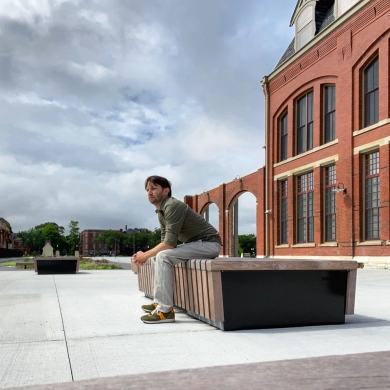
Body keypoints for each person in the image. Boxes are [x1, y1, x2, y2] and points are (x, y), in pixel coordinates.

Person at [132, 175, 222, 324]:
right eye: (147, 189)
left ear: (166, 190)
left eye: (154, 188)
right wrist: (148, 256)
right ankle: (159, 302)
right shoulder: (161, 211)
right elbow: (165, 242)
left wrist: (145, 255)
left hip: (209, 244)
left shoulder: (172, 205)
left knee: (162, 256)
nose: (149, 192)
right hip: (195, 244)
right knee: (157, 256)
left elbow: (169, 243)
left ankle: (165, 311)